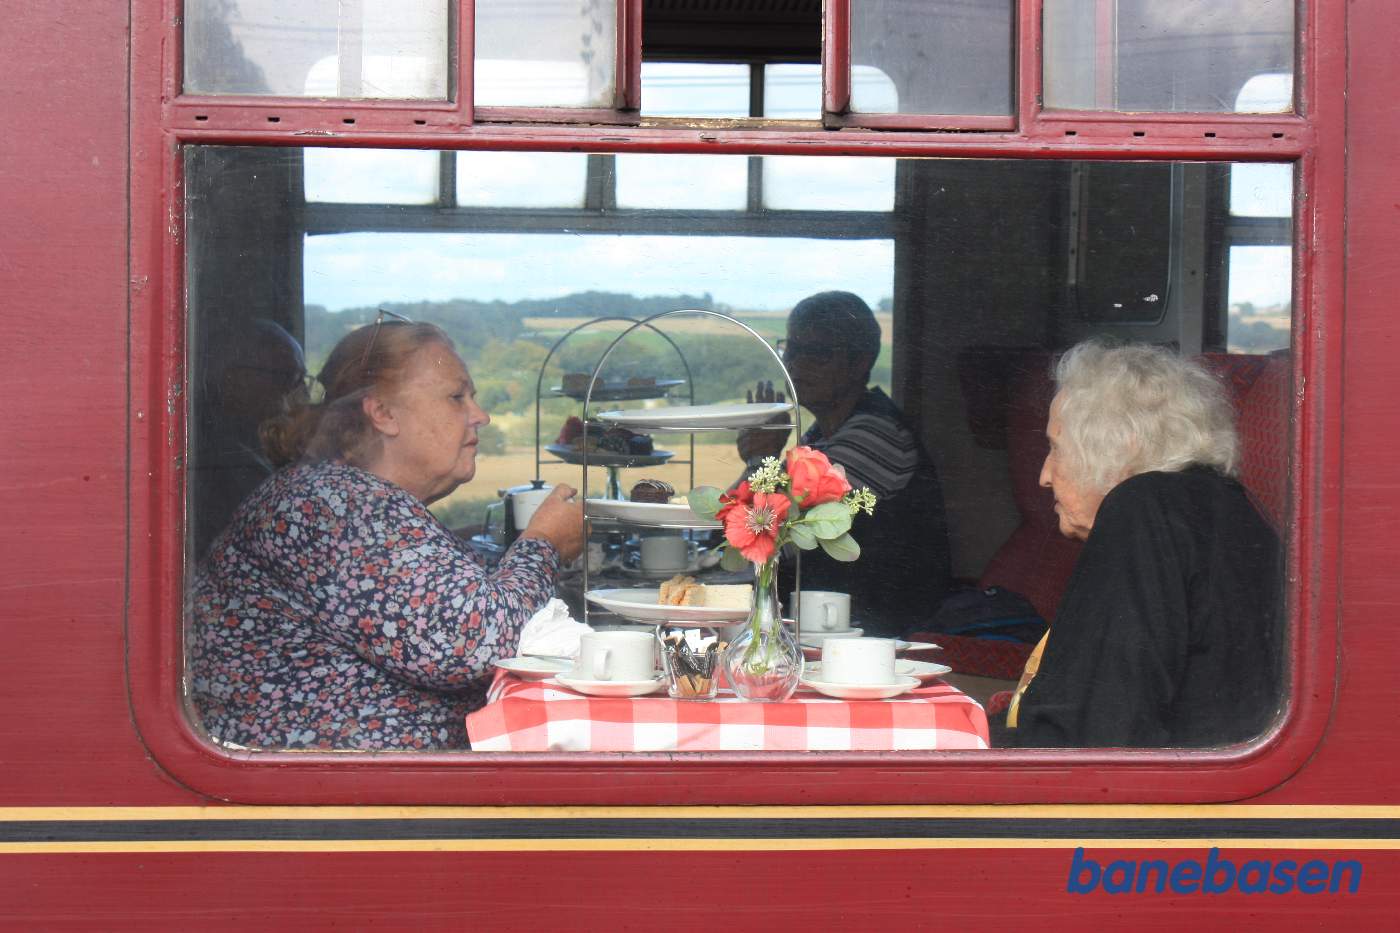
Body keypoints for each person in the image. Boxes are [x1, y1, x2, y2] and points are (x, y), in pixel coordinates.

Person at [190, 315, 584, 751]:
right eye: (457, 397)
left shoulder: (341, 496)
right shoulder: (331, 505)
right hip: (339, 794)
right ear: (382, 413)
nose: (481, 416)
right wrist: (543, 544)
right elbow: (474, 642)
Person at [1007, 340, 1281, 748]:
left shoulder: (1144, 509)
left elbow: (1092, 731)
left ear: (1118, 447)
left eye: (1056, 448)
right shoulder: (1226, 508)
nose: (1044, 476)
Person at [739, 291, 951, 637]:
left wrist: (761, 460)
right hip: (832, 621)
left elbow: (771, 538)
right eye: (792, 349)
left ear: (859, 362)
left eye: (818, 354)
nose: (797, 364)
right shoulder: (824, 432)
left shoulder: (874, 433)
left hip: (873, 633)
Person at [190, 319, 308, 560]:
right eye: (287, 378)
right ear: (235, 380)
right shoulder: (217, 464)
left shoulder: (254, 448)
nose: (300, 394)